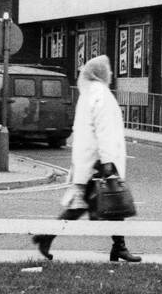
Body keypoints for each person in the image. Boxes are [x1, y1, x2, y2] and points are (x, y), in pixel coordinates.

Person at [33, 55, 141, 262]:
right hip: (99, 162)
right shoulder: (100, 94)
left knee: (97, 204)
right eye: (108, 70)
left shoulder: (88, 93)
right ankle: (118, 247)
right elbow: (104, 130)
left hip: (89, 160)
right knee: (112, 201)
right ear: (100, 73)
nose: (110, 74)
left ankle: (47, 238)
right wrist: (108, 160)